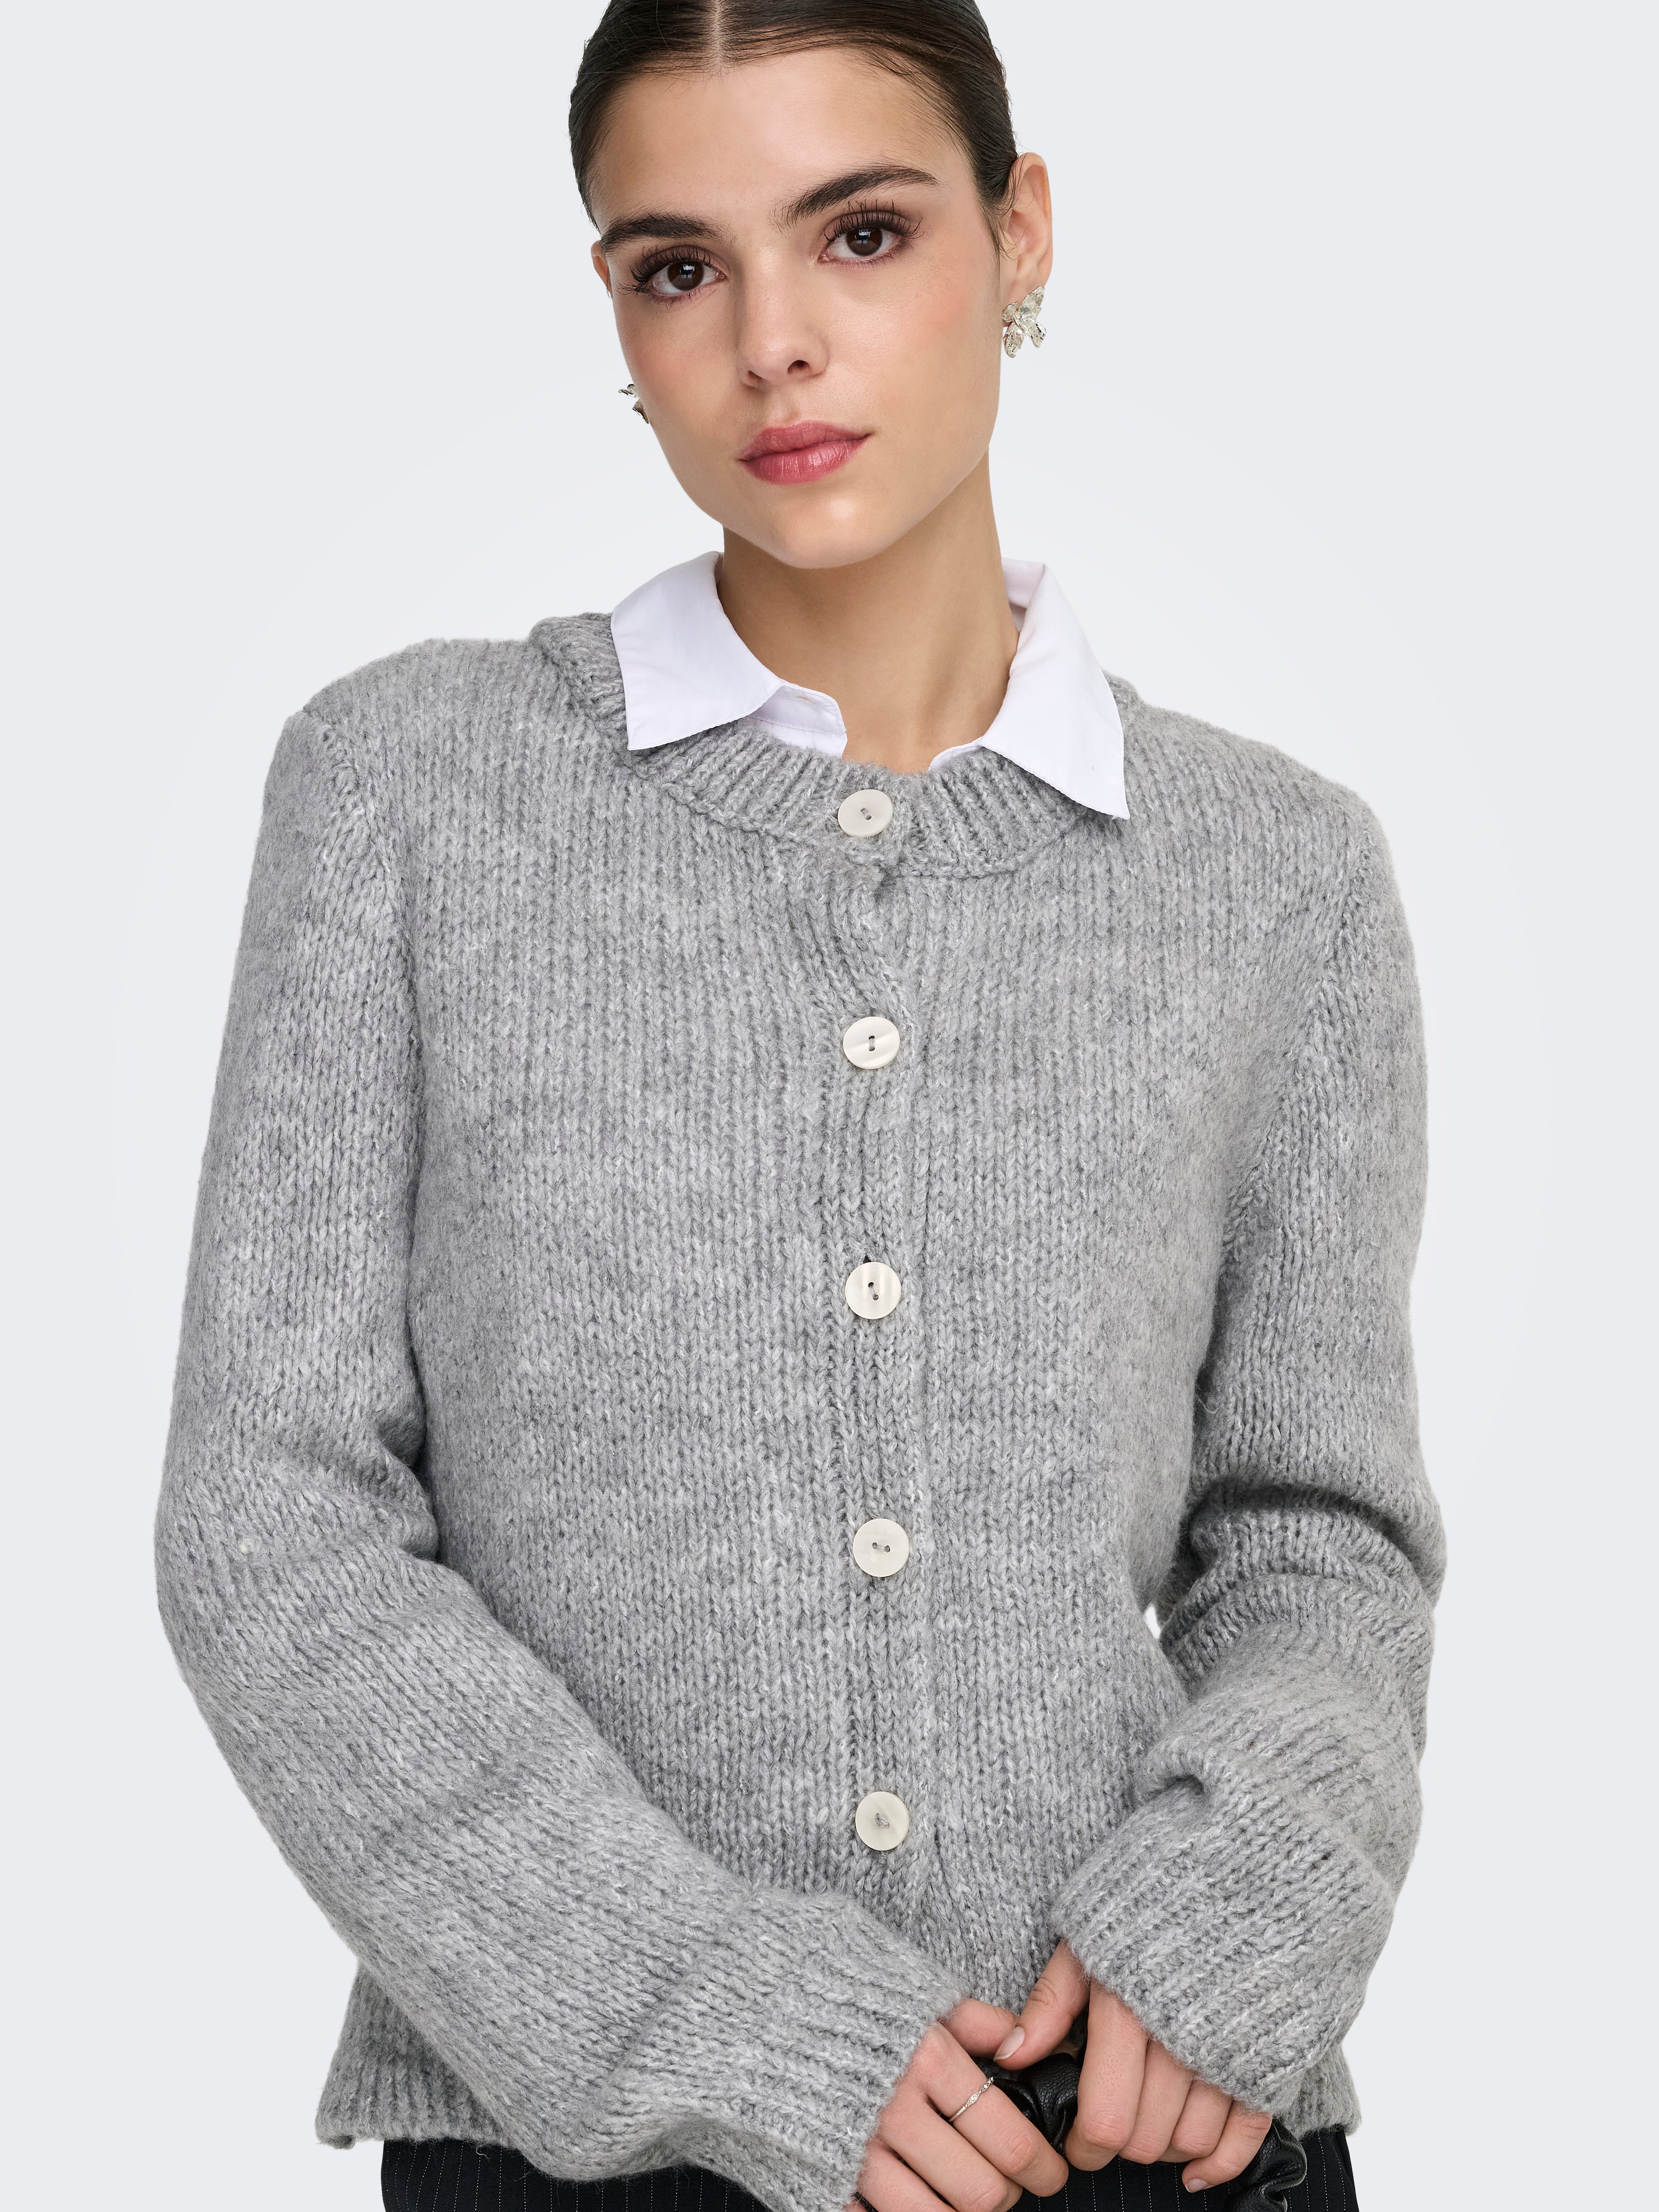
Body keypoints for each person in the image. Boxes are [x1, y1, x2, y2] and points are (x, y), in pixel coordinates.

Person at [153, 5, 1444, 2210]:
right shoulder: (413, 793)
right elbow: (272, 1521)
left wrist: (1238, 1917)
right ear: (618, 312)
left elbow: (1315, 1530)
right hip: (583, 2146)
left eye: (860, 232)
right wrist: (712, 2013)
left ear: (1018, 235)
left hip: (1155, 2121)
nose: (772, 343)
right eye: (679, 266)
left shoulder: (1274, 874)